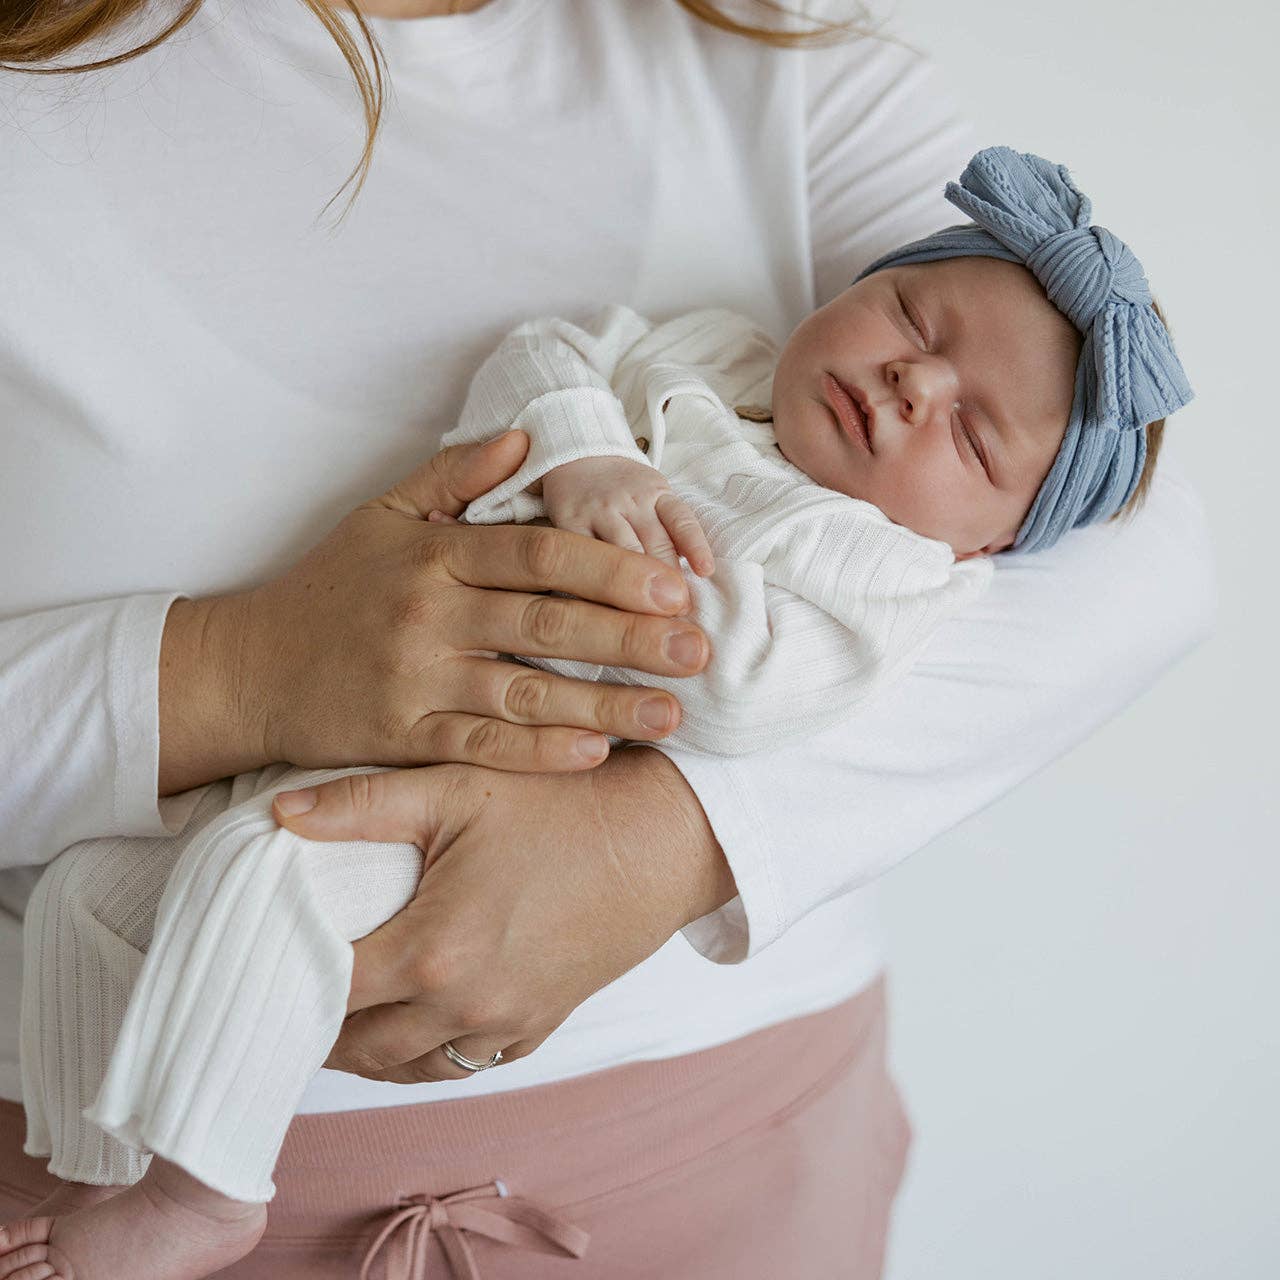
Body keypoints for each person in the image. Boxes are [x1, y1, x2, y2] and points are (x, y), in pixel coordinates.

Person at [0, 4, 1213, 1278]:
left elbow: (769, 683)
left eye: (969, 438)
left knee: (270, 870)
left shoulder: (869, 563)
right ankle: (107, 1165)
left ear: (983, 546)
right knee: (101, 901)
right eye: (908, 316)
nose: (914, 381)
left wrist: (642, 838)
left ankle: (203, 1189)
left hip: (668, 1080)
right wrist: (575, 452)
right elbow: (546, 354)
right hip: (136, 997)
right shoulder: (722, 363)